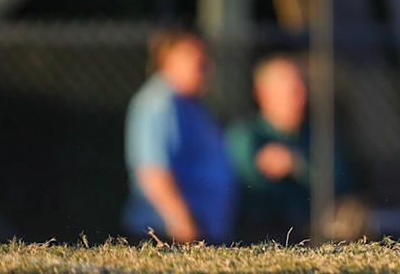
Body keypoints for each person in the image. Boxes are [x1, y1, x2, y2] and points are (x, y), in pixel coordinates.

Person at [224, 54, 362, 241]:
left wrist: (296, 165)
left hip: (317, 229)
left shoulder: (317, 136)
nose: (297, 95)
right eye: (286, 88)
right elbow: (253, 185)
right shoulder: (245, 135)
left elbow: (341, 182)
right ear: (261, 92)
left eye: (300, 86)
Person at [123, 26, 237, 243]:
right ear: (165, 59)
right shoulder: (158, 103)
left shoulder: (192, 104)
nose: (199, 62)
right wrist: (182, 223)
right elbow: (152, 171)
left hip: (202, 232)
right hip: (169, 235)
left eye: (202, 54)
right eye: (188, 54)